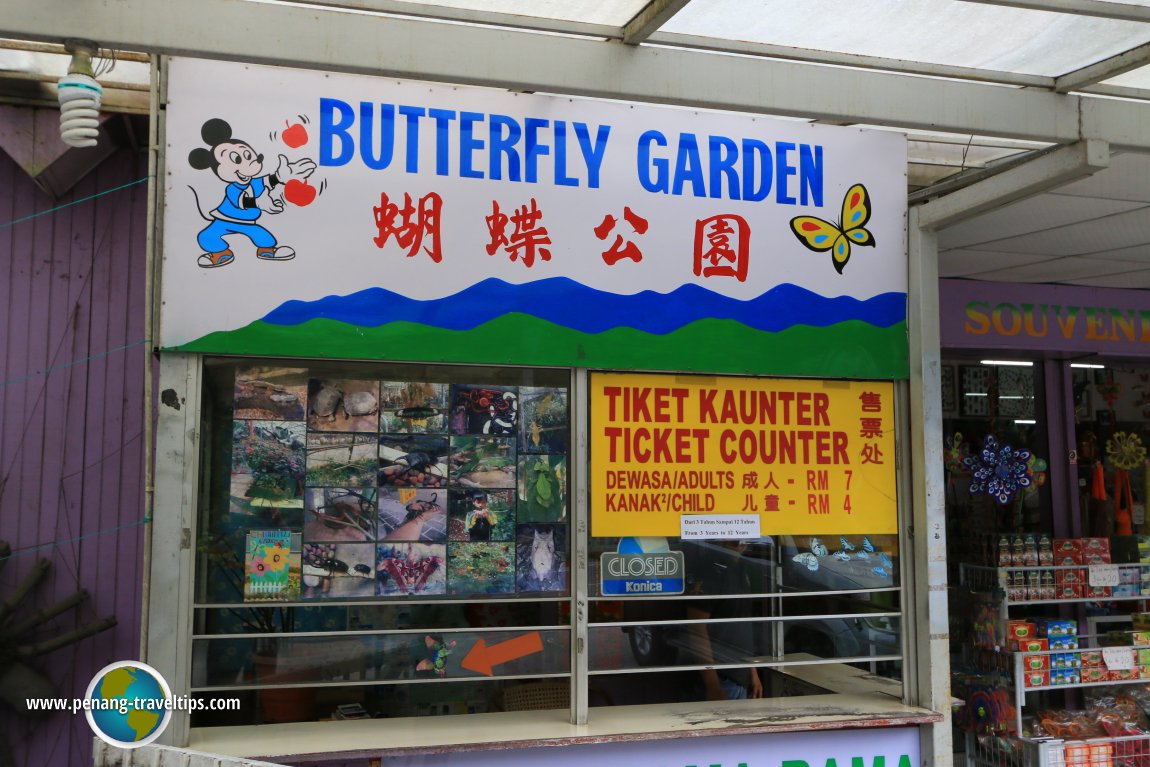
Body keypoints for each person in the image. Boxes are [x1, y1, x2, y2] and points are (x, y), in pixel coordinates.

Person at [685, 540, 763, 700]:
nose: (741, 543)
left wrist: (752, 671)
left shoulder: (740, 566)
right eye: (735, 539)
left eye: (744, 537)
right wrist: (712, 686)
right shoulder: (710, 570)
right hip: (721, 679)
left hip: (740, 678)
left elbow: (744, 624)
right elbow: (696, 628)